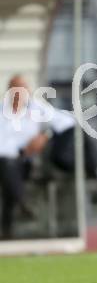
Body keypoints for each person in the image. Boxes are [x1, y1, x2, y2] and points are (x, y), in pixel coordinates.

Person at [0, 75, 75, 239]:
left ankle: (12, 220)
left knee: (9, 173)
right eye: (16, 88)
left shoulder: (37, 110)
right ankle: (22, 206)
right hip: (3, 162)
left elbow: (68, 121)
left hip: (25, 162)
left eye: (24, 88)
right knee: (6, 167)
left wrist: (45, 135)